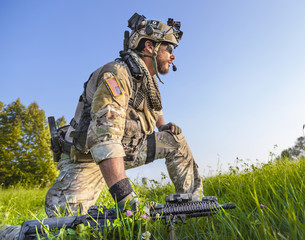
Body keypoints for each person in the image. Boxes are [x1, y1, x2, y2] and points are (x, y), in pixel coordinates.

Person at [0, 12, 203, 239]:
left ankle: (190, 205)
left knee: (175, 140)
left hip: (124, 150)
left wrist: (164, 127)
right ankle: (8, 233)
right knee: (67, 232)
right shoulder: (116, 75)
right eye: (170, 49)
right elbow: (103, 140)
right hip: (88, 158)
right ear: (149, 47)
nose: (173, 56)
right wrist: (126, 199)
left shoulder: (148, 82)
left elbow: (155, 110)